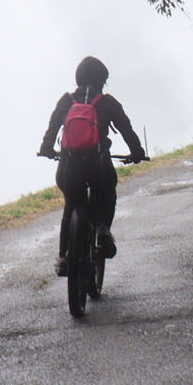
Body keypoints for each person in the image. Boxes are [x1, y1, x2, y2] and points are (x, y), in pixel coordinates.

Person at [38, 55, 148, 276]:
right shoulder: (108, 103)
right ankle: (103, 229)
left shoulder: (66, 101)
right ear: (102, 80)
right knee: (107, 193)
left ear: (78, 78)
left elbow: (50, 134)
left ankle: (64, 258)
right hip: (98, 166)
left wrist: (47, 150)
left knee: (71, 204)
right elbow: (127, 131)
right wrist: (137, 153)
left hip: (69, 167)